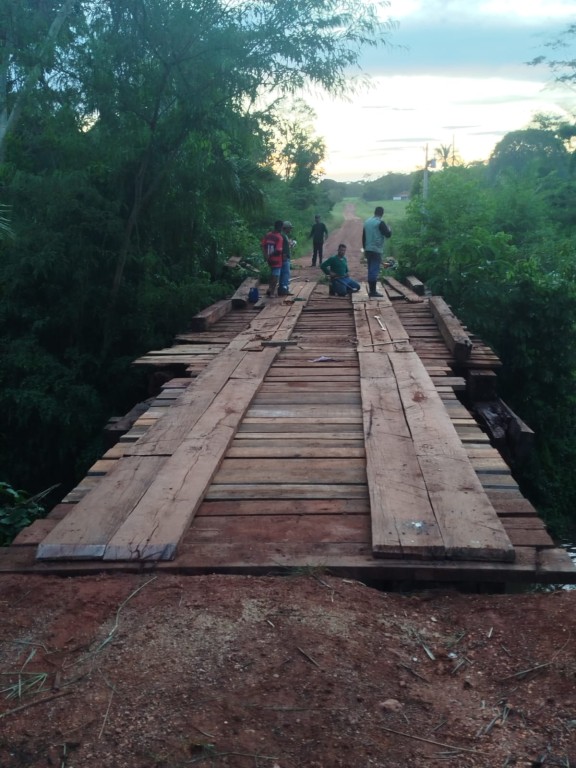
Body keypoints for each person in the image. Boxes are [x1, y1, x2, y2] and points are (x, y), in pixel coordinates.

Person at [362, 205, 392, 297]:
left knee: (370, 269)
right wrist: (389, 229)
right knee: (374, 270)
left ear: (374, 212)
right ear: (382, 213)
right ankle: (373, 292)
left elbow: (363, 237)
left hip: (368, 249)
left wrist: (365, 249)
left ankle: (372, 290)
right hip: (376, 250)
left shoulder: (367, 222)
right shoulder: (380, 223)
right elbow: (387, 235)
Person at [261, 220, 284, 297]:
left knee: (272, 273)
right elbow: (278, 250)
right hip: (276, 259)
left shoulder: (268, 235)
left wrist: (266, 256)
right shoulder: (279, 237)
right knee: (276, 275)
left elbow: (263, 245)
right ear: (281, 227)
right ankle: (272, 292)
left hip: (269, 259)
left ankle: (270, 288)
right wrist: (271, 254)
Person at [278, 220, 296, 296]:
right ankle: (284, 289)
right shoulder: (283, 236)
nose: (290, 230)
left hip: (283, 257)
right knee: (285, 274)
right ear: (286, 228)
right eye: (290, 228)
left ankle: (282, 289)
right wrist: (284, 256)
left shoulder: (283, 235)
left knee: (282, 274)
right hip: (284, 258)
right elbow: (283, 247)